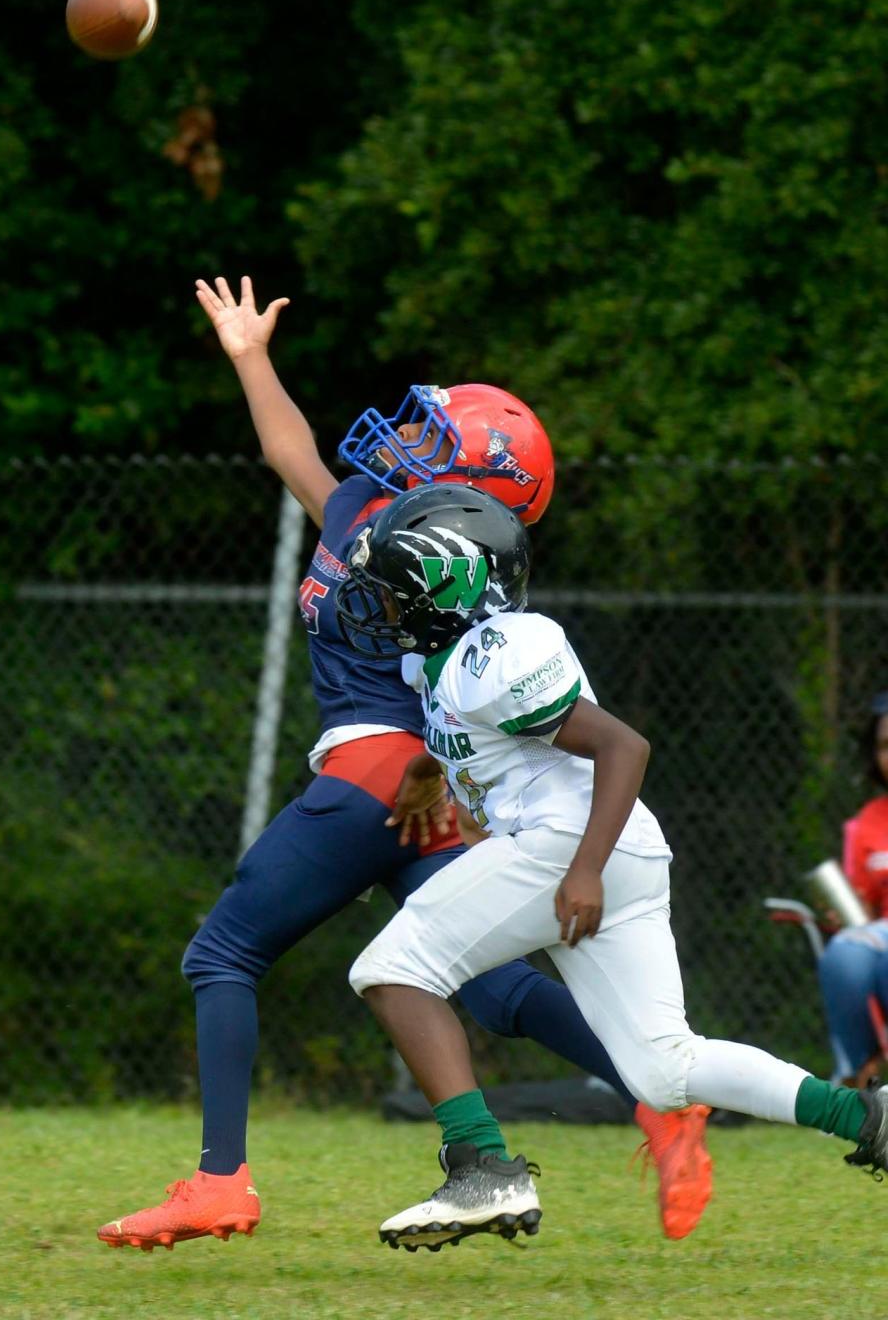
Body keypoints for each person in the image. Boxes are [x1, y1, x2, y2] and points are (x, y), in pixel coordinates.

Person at [96, 277, 711, 1253]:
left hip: (373, 773)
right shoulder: (384, 524)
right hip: (425, 793)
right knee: (496, 991)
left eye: (437, 443)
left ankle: (220, 1183)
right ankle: (661, 1106)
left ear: (479, 490)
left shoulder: (428, 561)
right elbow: (289, 451)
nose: (407, 445)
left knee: (222, 955)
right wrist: (252, 358)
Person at [339, 484, 888, 1250]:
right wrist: (433, 775)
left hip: (574, 844)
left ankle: (482, 1165)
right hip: (611, 847)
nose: (384, 609)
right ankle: (866, 1117)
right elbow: (483, 739)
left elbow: (622, 746)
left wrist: (584, 870)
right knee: (665, 1070)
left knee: (393, 969)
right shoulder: (447, 663)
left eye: (397, 593)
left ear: (443, 589)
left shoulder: (497, 656)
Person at [817, 690, 888, 1088]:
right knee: (845, 955)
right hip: (881, 940)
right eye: (884, 746)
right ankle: (857, 1082)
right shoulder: (867, 823)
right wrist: (843, 912)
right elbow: (861, 911)